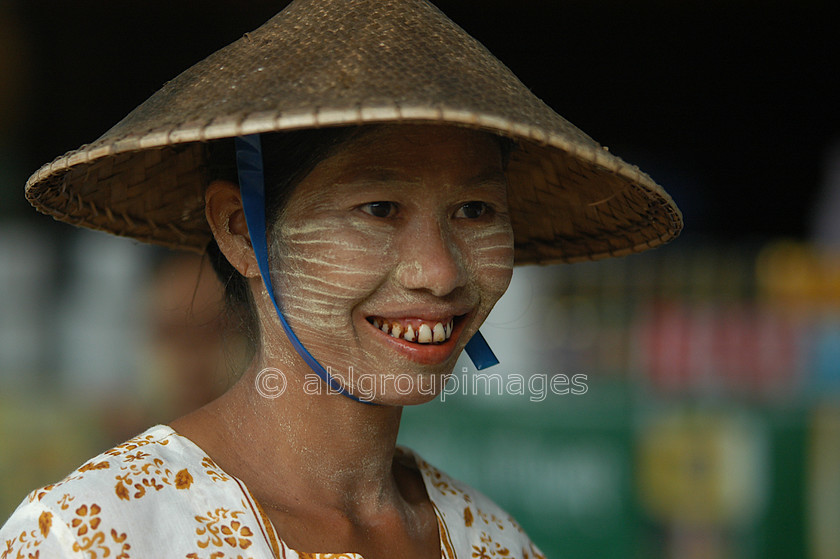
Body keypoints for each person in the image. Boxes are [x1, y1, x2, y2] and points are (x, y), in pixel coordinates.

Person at [1, 0, 682, 557]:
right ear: (242, 229)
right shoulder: (101, 534)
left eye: (474, 210)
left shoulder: (492, 543)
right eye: (379, 209)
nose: (440, 272)